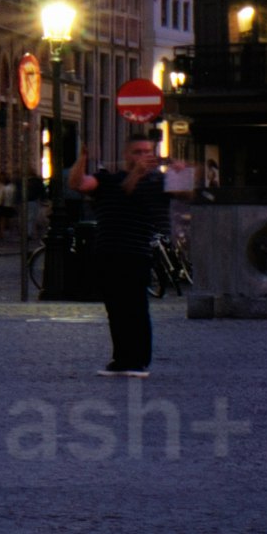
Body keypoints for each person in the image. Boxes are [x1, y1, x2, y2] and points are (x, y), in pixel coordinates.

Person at [91, 155, 167, 380]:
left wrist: (186, 171)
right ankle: (122, 358)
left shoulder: (152, 184)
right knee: (116, 309)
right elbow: (79, 184)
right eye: (136, 152)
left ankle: (136, 360)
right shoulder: (110, 181)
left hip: (135, 252)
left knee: (134, 307)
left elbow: (129, 190)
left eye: (145, 151)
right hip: (109, 252)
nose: (140, 157)